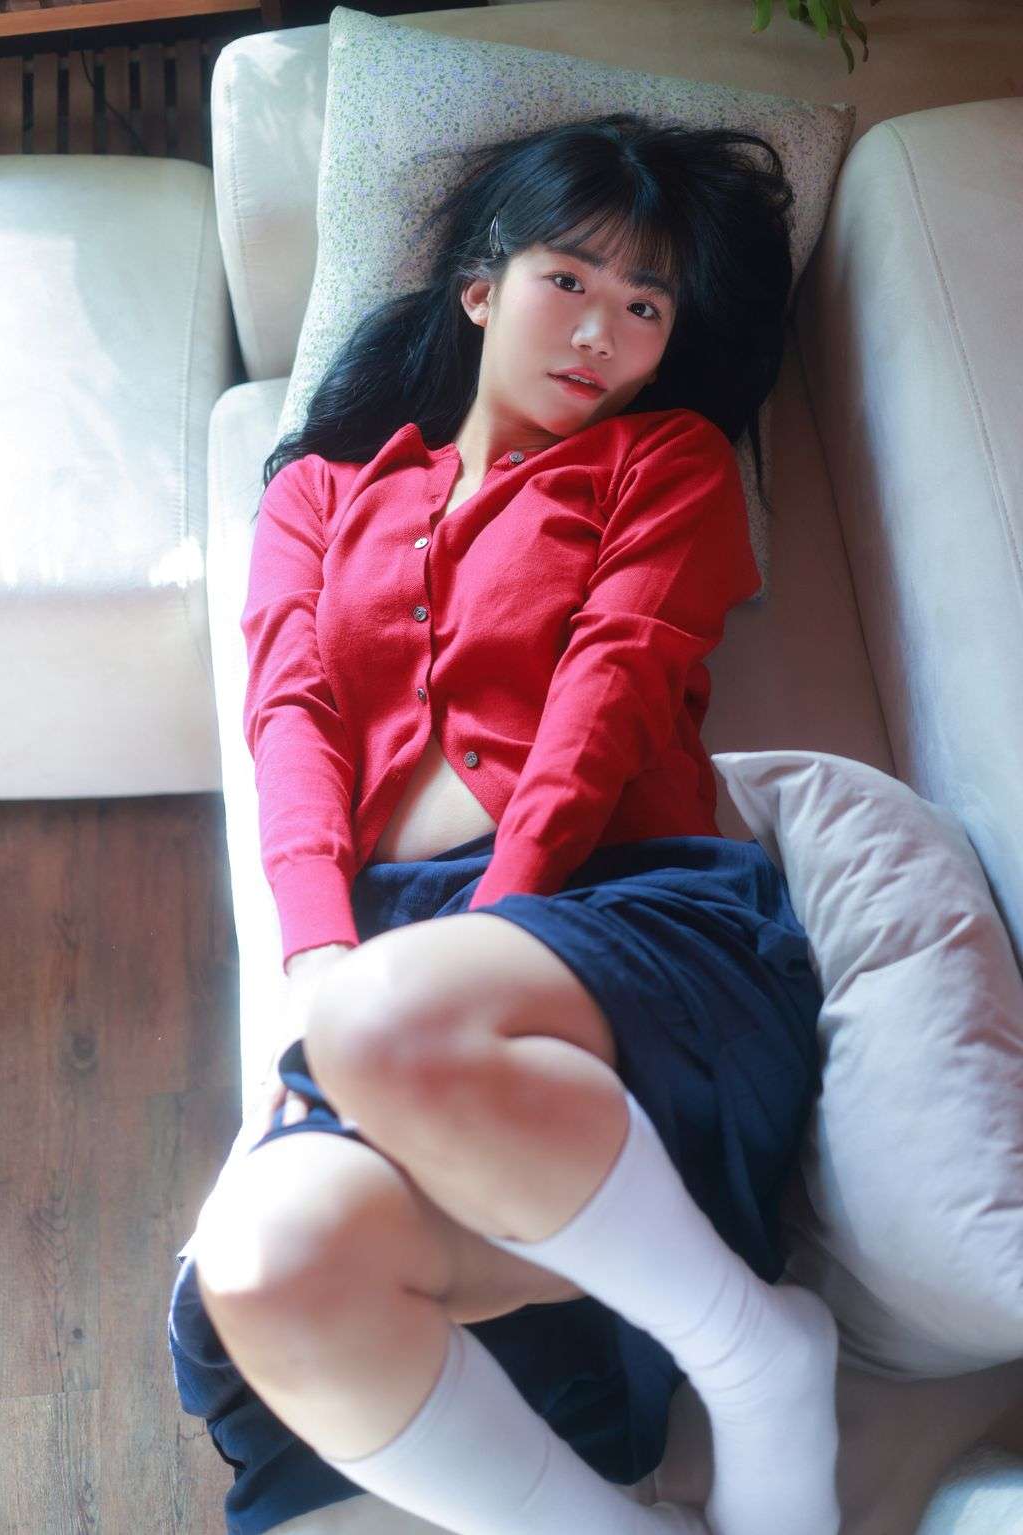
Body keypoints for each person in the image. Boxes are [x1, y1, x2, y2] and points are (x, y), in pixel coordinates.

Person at [167, 111, 840, 1535]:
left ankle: (761, 1359)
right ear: (480, 286)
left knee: (390, 1021)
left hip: (626, 919)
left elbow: (608, 698)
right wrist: (320, 961)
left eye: (645, 306)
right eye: (568, 280)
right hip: (395, 970)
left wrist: (451, 953)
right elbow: (290, 721)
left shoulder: (667, 465)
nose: (601, 330)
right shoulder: (316, 496)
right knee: (267, 1262)